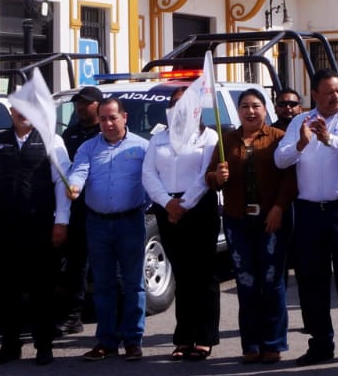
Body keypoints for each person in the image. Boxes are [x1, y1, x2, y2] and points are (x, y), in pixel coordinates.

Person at [274, 69, 338, 366]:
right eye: (329, 92)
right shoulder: (298, 122)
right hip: (308, 212)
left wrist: (330, 140)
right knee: (310, 280)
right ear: (314, 95)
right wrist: (302, 144)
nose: (336, 97)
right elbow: (280, 159)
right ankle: (320, 343)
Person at [0, 100, 71, 366]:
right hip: (5, 226)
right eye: (18, 109)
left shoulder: (51, 140)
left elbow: (62, 184)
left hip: (38, 226)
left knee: (41, 289)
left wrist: (61, 221)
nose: (22, 114)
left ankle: (44, 346)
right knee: (7, 289)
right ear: (12, 112)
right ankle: (10, 346)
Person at [209, 89, 295, 364]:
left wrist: (279, 208)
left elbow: (290, 178)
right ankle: (251, 344)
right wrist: (217, 176)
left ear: (265, 109)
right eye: (244, 106)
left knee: (271, 281)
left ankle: (273, 343)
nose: (250, 111)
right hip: (237, 220)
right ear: (238, 111)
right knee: (246, 283)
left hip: (271, 218)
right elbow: (210, 178)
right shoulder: (226, 140)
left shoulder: (277, 138)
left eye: (255, 106)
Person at [67, 96, 150, 362]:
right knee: (102, 285)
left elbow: (151, 181)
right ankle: (106, 341)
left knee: (133, 284)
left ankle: (133, 340)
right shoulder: (88, 147)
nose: (108, 123)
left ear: (124, 118)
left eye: (113, 117)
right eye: (103, 118)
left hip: (131, 223)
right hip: (98, 224)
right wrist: (75, 185)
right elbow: (79, 171)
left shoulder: (142, 147)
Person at [141, 96, 220, 361]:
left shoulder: (208, 137)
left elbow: (205, 175)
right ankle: (184, 337)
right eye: (174, 106)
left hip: (198, 208)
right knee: (183, 276)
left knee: (203, 275)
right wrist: (167, 203)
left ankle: (205, 337)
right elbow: (148, 174)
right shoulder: (158, 139)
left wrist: (183, 205)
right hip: (167, 208)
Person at [58, 85, 104, 336]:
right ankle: (73, 315)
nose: (80, 107)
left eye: (85, 103)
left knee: (107, 264)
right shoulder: (71, 134)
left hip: (103, 207)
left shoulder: (105, 131)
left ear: (98, 104)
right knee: (76, 265)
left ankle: (111, 315)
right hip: (77, 208)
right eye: (78, 103)